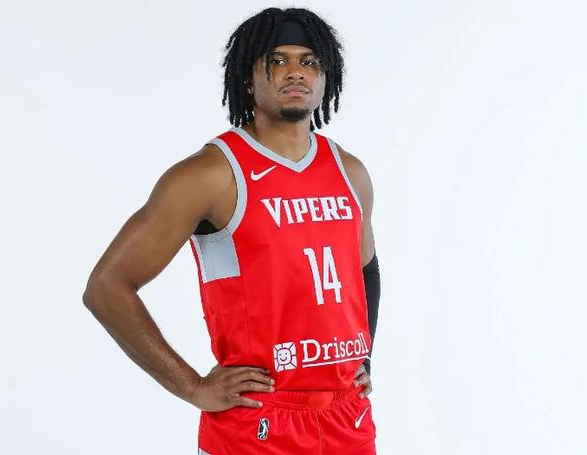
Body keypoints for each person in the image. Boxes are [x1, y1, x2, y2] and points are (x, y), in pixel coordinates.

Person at [83, 6, 381, 454]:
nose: (295, 72)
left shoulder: (349, 172)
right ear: (247, 78)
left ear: (326, 77)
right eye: (277, 60)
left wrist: (364, 356)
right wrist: (192, 386)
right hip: (257, 420)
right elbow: (106, 288)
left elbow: (366, 271)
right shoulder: (210, 175)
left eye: (309, 61)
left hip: (347, 416)